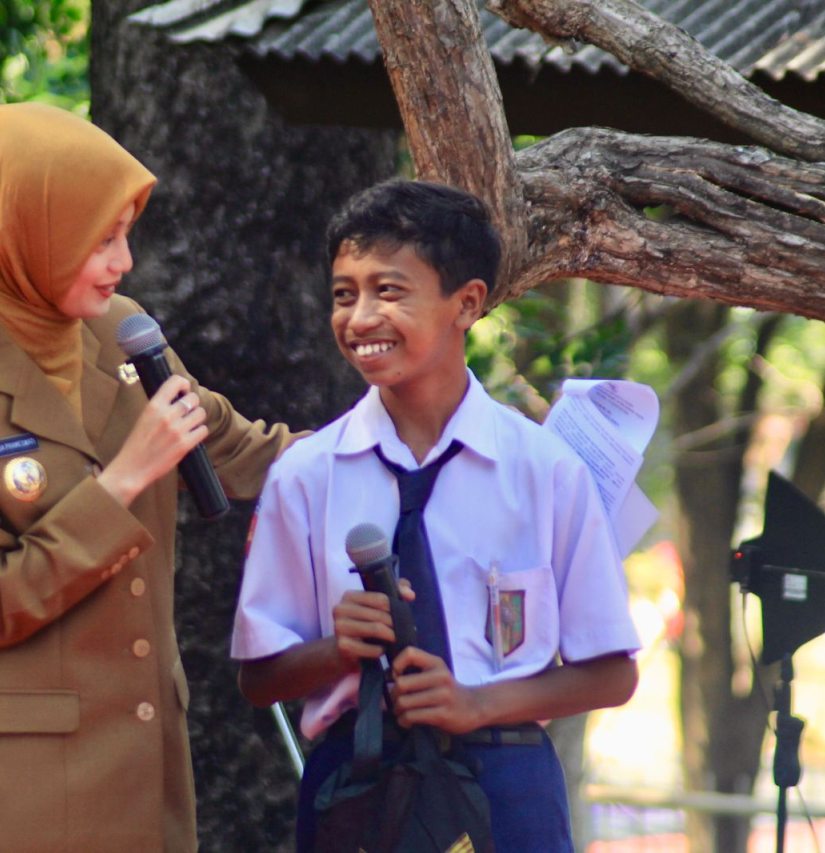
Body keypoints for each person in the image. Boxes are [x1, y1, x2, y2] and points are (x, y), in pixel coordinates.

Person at [0, 102, 296, 853]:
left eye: (127, 234)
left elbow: (248, 451)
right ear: (22, 231)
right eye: (101, 239)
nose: (124, 262)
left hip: (144, 759)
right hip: (16, 790)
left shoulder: (123, 331)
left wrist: (397, 444)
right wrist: (124, 481)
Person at [232, 179, 641, 853]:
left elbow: (613, 672)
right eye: (344, 294)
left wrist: (477, 703)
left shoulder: (544, 469)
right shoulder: (305, 475)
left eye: (389, 290)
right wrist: (338, 649)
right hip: (357, 783)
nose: (360, 317)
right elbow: (258, 677)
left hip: (507, 782)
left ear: (467, 303)